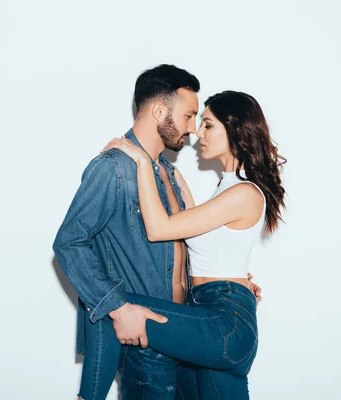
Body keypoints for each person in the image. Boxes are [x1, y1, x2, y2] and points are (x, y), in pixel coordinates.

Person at [53, 65, 262, 400]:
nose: (193, 130)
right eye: (190, 116)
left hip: (187, 335)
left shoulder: (168, 174)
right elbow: (69, 242)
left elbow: (186, 244)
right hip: (146, 346)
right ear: (159, 111)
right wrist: (119, 309)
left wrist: (228, 279)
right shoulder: (114, 168)